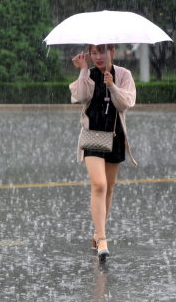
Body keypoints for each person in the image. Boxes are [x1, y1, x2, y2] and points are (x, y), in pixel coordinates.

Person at [70, 44, 137, 261]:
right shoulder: (88, 74)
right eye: (93, 52)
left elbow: (126, 103)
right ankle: (102, 239)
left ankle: (98, 233)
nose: (98, 57)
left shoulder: (123, 75)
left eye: (103, 51)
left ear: (113, 52)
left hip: (115, 136)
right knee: (99, 185)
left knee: (108, 189)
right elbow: (81, 96)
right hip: (93, 136)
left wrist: (113, 87)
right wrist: (82, 69)